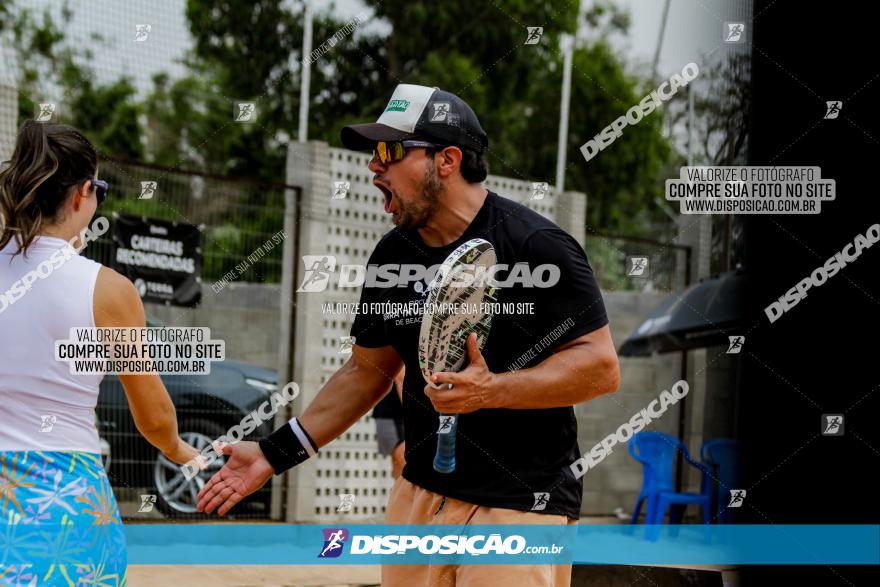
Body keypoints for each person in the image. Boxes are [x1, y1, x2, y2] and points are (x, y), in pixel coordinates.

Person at [197, 84, 620, 586]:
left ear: (448, 160)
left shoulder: (536, 245)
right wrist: (273, 452)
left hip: (520, 506)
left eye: (390, 151)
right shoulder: (392, 255)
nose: (374, 166)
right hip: (418, 498)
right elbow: (366, 370)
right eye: (373, 153)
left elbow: (601, 367)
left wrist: (494, 391)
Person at [0, 121, 200, 586]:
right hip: (66, 500)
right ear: (83, 194)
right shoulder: (107, 289)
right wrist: (177, 447)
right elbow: (152, 416)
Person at [374, 367, 405, 479]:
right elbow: (401, 377)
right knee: (405, 467)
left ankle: (399, 496)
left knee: (400, 470)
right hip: (394, 415)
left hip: (388, 415)